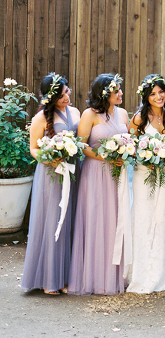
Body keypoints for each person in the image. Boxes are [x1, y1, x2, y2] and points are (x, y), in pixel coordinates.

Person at [69, 73, 130, 295]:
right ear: (105, 93)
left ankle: (116, 274)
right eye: (117, 91)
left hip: (119, 175)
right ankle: (95, 276)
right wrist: (106, 157)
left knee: (116, 221)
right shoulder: (90, 115)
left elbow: (129, 140)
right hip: (95, 174)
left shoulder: (123, 114)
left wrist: (126, 153)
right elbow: (80, 145)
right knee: (97, 221)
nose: (121, 93)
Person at [21, 73, 81, 295]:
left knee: (68, 222)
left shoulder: (75, 112)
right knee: (52, 221)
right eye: (62, 94)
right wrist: (51, 157)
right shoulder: (40, 119)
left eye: (67, 91)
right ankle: (49, 278)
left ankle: (64, 276)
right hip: (51, 174)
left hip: (73, 171)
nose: (67, 96)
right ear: (51, 97)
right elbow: (34, 149)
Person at [126, 74, 165, 293]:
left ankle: (162, 271)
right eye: (152, 94)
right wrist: (145, 158)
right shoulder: (140, 118)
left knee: (164, 218)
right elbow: (129, 145)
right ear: (146, 97)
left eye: (161, 92)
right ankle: (140, 273)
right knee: (144, 217)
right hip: (144, 175)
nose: (158, 97)